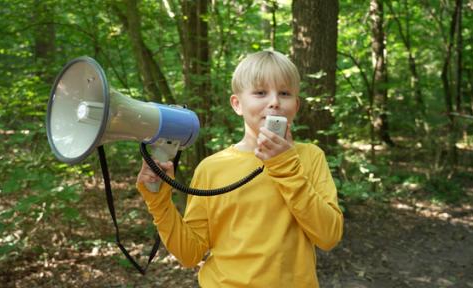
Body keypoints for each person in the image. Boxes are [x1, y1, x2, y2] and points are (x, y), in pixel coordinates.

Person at [136, 50, 343, 287]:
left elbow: (329, 236)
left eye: (284, 93)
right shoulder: (212, 168)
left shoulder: (310, 157)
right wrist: (159, 202)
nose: (274, 101)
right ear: (237, 104)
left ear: (295, 105)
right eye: (260, 92)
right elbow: (190, 253)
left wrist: (285, 165)